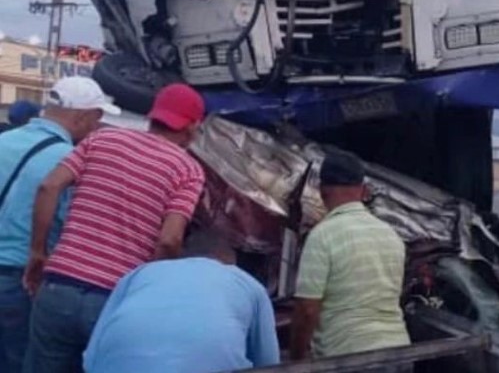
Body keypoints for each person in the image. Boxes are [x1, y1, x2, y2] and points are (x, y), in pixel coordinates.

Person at [22, 83, 206, 373]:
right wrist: (154, 293)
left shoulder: (102, 139)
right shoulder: (187, 170)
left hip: (58, 288)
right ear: (193, 127)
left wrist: (37, 252)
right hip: (115, 302)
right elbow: (169, 240)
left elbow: (49, 186)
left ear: (152, 115)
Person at [0, 77, 118, 373]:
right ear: (81, 116)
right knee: (17, 360)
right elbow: (70, 222)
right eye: (98, 117)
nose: (98, 126)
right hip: (19, 276)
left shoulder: (3, 141)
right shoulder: (68, 161)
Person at [83, 229, 280, 373]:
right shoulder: (247, 284)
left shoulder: (139, 274)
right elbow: (269, 364)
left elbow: (90, 359)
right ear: (230, 261)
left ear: (183, 256)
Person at [290, 150, 410, 367]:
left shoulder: (322, 236)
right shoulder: (391, 235)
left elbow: (307, 309)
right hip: (400, 354)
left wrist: (297, 359)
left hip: (349, 357)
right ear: (364, 190)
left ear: (321, 191)